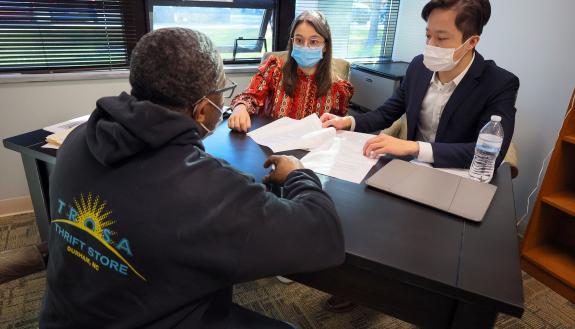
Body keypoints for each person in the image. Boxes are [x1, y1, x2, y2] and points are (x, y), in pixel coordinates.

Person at [40, 28, 345, 329]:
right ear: (202, 110)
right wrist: (298, 174)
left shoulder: (77, 140)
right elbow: (322, 234)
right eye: (222, 95)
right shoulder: (208, 191)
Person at [321, 0, 519, 169]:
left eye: (441, 38)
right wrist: (348, 122)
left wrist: (413, 147)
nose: (430, 45)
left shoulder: (499, 83)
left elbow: (489, 152)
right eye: (428, 35)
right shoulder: (418, 66)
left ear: (471, 42)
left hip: (457, 176)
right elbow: (387, 112)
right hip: (411, 168)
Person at [228, 10, 354, 133]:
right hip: (272, 147)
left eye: (313, 41)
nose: (305, 46)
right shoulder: (274, 71)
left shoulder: (339, 89)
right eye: (299, 40)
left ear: (325, 46)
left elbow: (338, 130)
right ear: (292, 42)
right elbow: (250, 96)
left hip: (313, 151)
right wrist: (240, 107)